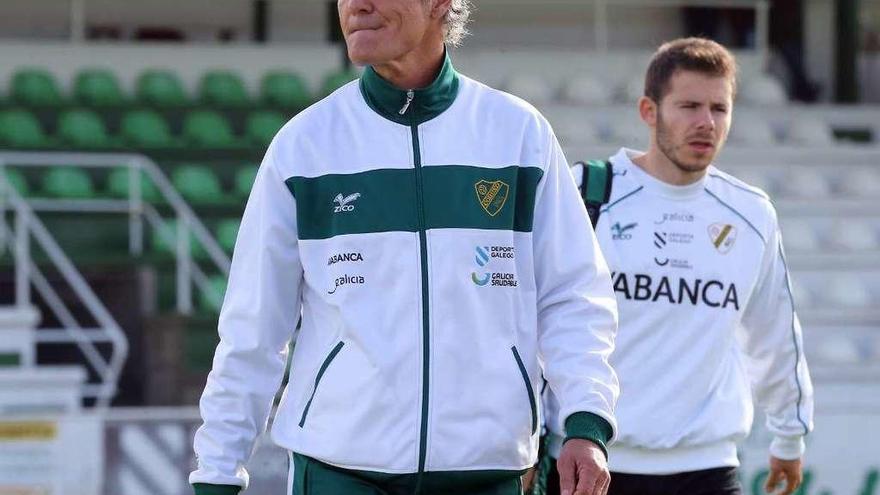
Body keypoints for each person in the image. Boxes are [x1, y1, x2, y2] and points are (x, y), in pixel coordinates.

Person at [189, 1, 620, 494]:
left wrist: (586, 422)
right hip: (337, 473)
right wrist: (217, 472)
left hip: (486, 474)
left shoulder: (519, 135)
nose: (356, 6)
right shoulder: (303, 146)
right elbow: (254, 328)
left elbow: (573, 297)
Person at [539, 38, 814, 495]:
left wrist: (790, 433)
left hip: (707, 467)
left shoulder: (751, 213)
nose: (706, 123)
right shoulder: (587, 191)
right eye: (688, 106)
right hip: (591, 460)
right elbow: (538, 321)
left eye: (719, 109)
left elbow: (775, 333)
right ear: (649, 111)